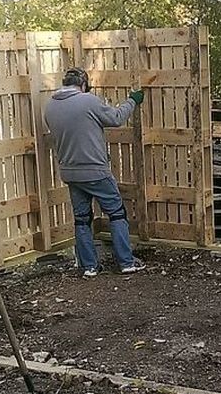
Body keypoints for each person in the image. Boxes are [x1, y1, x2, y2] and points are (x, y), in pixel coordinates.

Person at [44, 67, 146, 277]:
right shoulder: (88, 101)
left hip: (70, 172)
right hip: (95, 171)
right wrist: (132, 101)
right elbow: (116, 118)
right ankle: (126, 262)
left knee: (82, 219)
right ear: (83, 84)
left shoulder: (50, 107)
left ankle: (89, 267)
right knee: (117, 213)